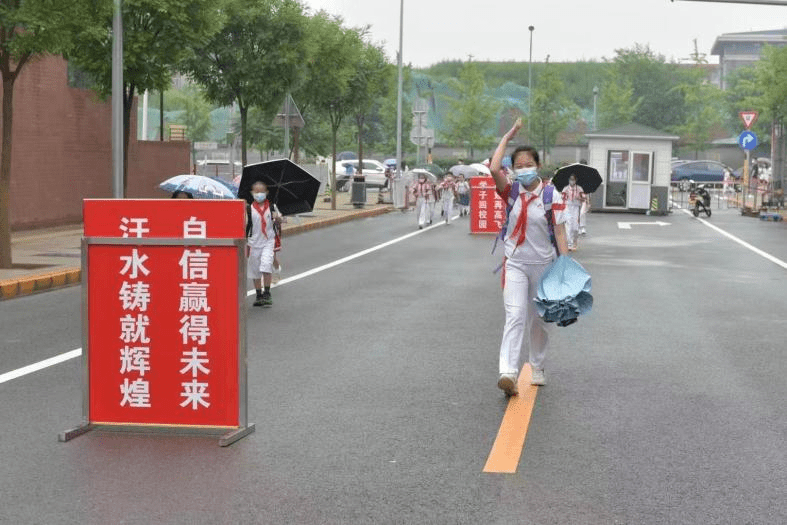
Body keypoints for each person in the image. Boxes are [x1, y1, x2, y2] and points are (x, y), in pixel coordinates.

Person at [489, 117, 569, 395]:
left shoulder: (551, 195)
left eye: (528, 165)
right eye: (518, 166)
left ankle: (537, 365)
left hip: (544, 266)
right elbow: (493, 167)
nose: (523, 170)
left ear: (538, 165)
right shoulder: (510, 190)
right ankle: (508, 372)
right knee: (515, 315)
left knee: (540, 320)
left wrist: (565, 265)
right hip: (516, 264)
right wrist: (508, 136)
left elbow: (559, 233)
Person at [246, 181, 282, 307]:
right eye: (256, 192)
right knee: (255, 270)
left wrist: (277, 218)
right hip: (253, 243)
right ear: (252, 193)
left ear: (266, 193)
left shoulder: (272, 207)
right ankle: (258, 295)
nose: (259, 194)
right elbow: (244, 225)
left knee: (266, 265)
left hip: (268, 241)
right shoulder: (248, 209)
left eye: (262, 192)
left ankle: (267, 293)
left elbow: (280, 220)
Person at [561, 175, 586, 251]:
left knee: (575, 227)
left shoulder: (579, 189)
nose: (572, 181)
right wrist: (565, 197)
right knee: (569, 225)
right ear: (568, 180)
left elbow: (584, 198)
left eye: (573, 179)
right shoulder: (565, 188)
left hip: (575, 207)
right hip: (568, 207)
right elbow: (561, 198)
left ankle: (575, 241)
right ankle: (569, 243)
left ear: (576, 180)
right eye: (570, 179)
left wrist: (580, 198)